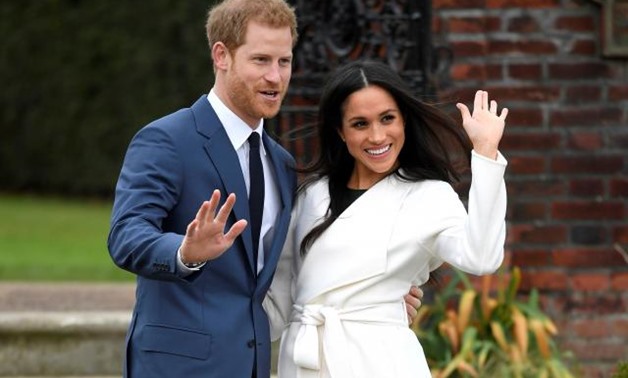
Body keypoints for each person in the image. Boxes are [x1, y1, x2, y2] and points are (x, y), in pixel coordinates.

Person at [107, 1, 422, 377]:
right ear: (221, 56)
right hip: (178, 366)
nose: (275, 77)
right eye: (260, 61)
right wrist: (184, 252)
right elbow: (125, 235)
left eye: (284, 62)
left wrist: (368, 301)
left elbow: (289, 275)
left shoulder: (281, 163)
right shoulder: (167, 140)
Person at [264, 60, 509, 377]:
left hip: (381, 361)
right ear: (340, 131)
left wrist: (486, 153)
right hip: (304, 361)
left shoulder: (428, 196)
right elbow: (277, 300)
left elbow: (482, 257)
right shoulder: (310, 196)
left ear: (404, 120)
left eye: (387, 119)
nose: (377, 136)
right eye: (360, 124)